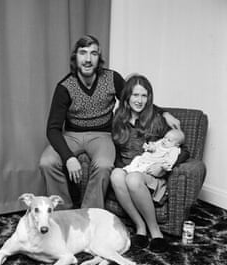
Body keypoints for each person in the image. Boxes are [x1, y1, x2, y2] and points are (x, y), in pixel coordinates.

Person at [39, 35, 181, 210]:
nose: (88, 59)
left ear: (99, 58)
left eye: (93, 53)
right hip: (72, 135)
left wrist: (164, 112)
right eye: (83, 53)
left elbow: (133, 98)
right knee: (47, 162)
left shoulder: (112, 78)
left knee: (105, 165)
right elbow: (52, 129)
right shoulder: (65, 86)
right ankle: (63, 212)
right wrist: (68, 158)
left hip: (102, 135)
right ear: (76, 57)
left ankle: (90, 214)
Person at [110, 74, 189, 253]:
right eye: (135, 95)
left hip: (150, 175)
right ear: (127, 96)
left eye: (144, 95)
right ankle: (140, 227)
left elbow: (182, 150)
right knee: (116, 175)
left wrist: (162, 168)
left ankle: (155, 232)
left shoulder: (157, 119)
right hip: (128, 168)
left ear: (149, 98)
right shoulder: (118, 118)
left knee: (133, 179)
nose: (139, 100)